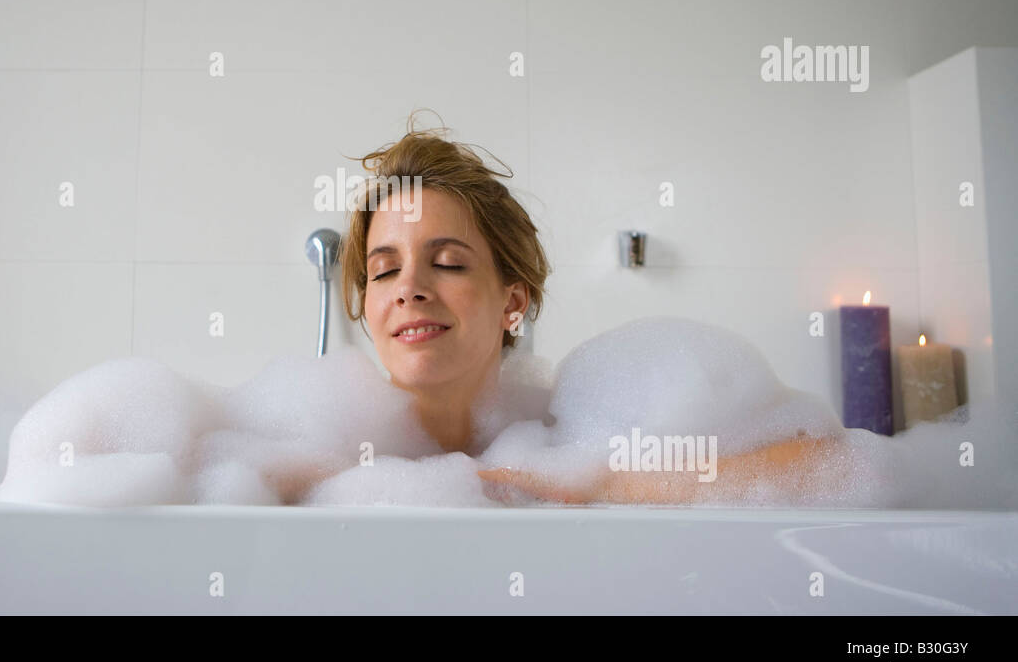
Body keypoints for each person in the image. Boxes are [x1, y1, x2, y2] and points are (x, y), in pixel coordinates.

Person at [327, 113, 841, 505]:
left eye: (448, 262)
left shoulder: (571, 437)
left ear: (513, 302)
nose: (408, 288)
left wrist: (598, 485)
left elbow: (830, 463)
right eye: (384, 270)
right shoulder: (329, 456)